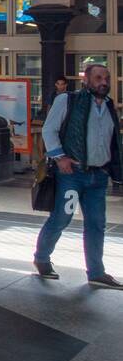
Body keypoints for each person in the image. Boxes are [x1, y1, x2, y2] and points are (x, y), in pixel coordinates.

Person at [33, 63, 122, 288]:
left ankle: (96, 271)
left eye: (107, 78)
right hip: (72, 174)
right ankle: (42, 258)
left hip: (98, 175)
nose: (104, 82)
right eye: (98, 78)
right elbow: (49, 129)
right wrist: (60, 157)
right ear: (86, 80)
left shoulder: (110, 106)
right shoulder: (68, 100)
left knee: (96, 223)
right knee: (62, 217)